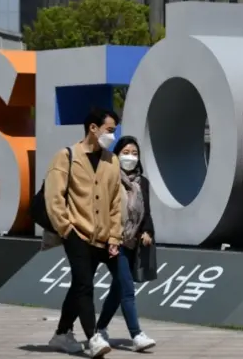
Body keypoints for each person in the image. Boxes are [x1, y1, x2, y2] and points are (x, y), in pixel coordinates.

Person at [45, 108, 123, 358]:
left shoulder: (112, 160)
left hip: (101, 237)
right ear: (93, 128)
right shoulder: (66, 156)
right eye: (109, 130)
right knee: (85, 285)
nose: (112, 135)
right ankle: (93, 338)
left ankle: (61, 334)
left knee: (79, 285)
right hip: (75, 231)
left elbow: (115, 203)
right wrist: (66, 228)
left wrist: (114, 236)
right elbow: (54, 196)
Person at [95, 135, 157, 352]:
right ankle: (136, 334)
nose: (130, 157)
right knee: (127, 288)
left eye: (134, 153)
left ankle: (100, 328)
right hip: (113, 241)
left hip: (133, 242)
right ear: (117, 153)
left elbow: (146, 210)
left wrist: (147, 230)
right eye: (126, 152)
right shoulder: (109, 178)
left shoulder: (143, 182)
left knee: (118, 288)